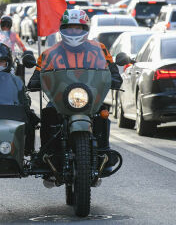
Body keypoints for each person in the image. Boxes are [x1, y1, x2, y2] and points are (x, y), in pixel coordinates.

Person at [27, 9, 122, 174]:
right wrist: (36, 82)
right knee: (48, 113)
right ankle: (46, 156)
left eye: (78, 28)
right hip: (60, 98)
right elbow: (36, 76)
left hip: (90, 97)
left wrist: (115, 78)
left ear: (85, 29)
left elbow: (112, 71)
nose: (73, 32)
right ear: (62, 29)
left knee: (103, 114)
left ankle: (104, 154)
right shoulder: (49, 53)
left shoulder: (100, 49)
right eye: (70, 28)